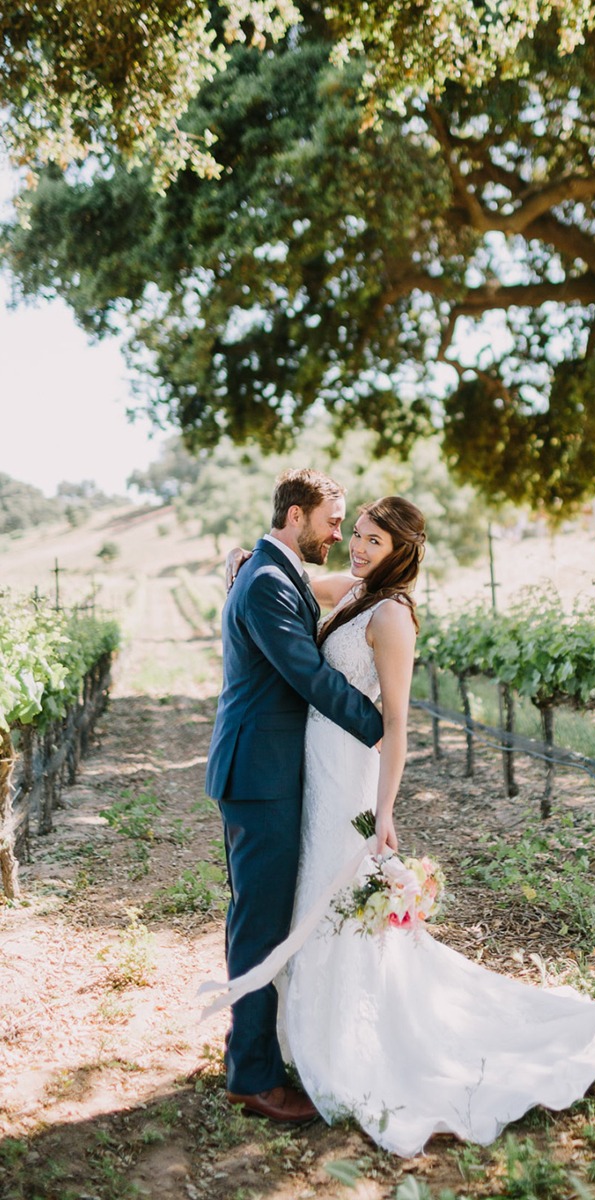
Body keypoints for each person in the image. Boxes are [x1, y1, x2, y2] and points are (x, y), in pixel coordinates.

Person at [220, 494, 595, 1157]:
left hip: (346, 771)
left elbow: (395, 724)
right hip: (309, 770)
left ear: (405, 549)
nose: (359, 547)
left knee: (340, 903)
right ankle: (298, 1038)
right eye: (357, 535)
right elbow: (294, 581)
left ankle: (354, 1044)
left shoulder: (393, 614)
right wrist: (244, 557)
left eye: (374, 540)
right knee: (311, 898)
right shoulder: (355, 588)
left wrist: (386, 813)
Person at [205, 468, 384, 1125]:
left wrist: (385, 576)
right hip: (259, 777)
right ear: (296, 516)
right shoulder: (267, 583)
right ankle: (252, 1076)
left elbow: (336, 587)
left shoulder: (275, 571)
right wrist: (381, 728)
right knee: (258, 927)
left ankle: (262, 1053)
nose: (339, 534)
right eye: (332, 521)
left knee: (268, 919)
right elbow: (307, 676)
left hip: (273, 772)